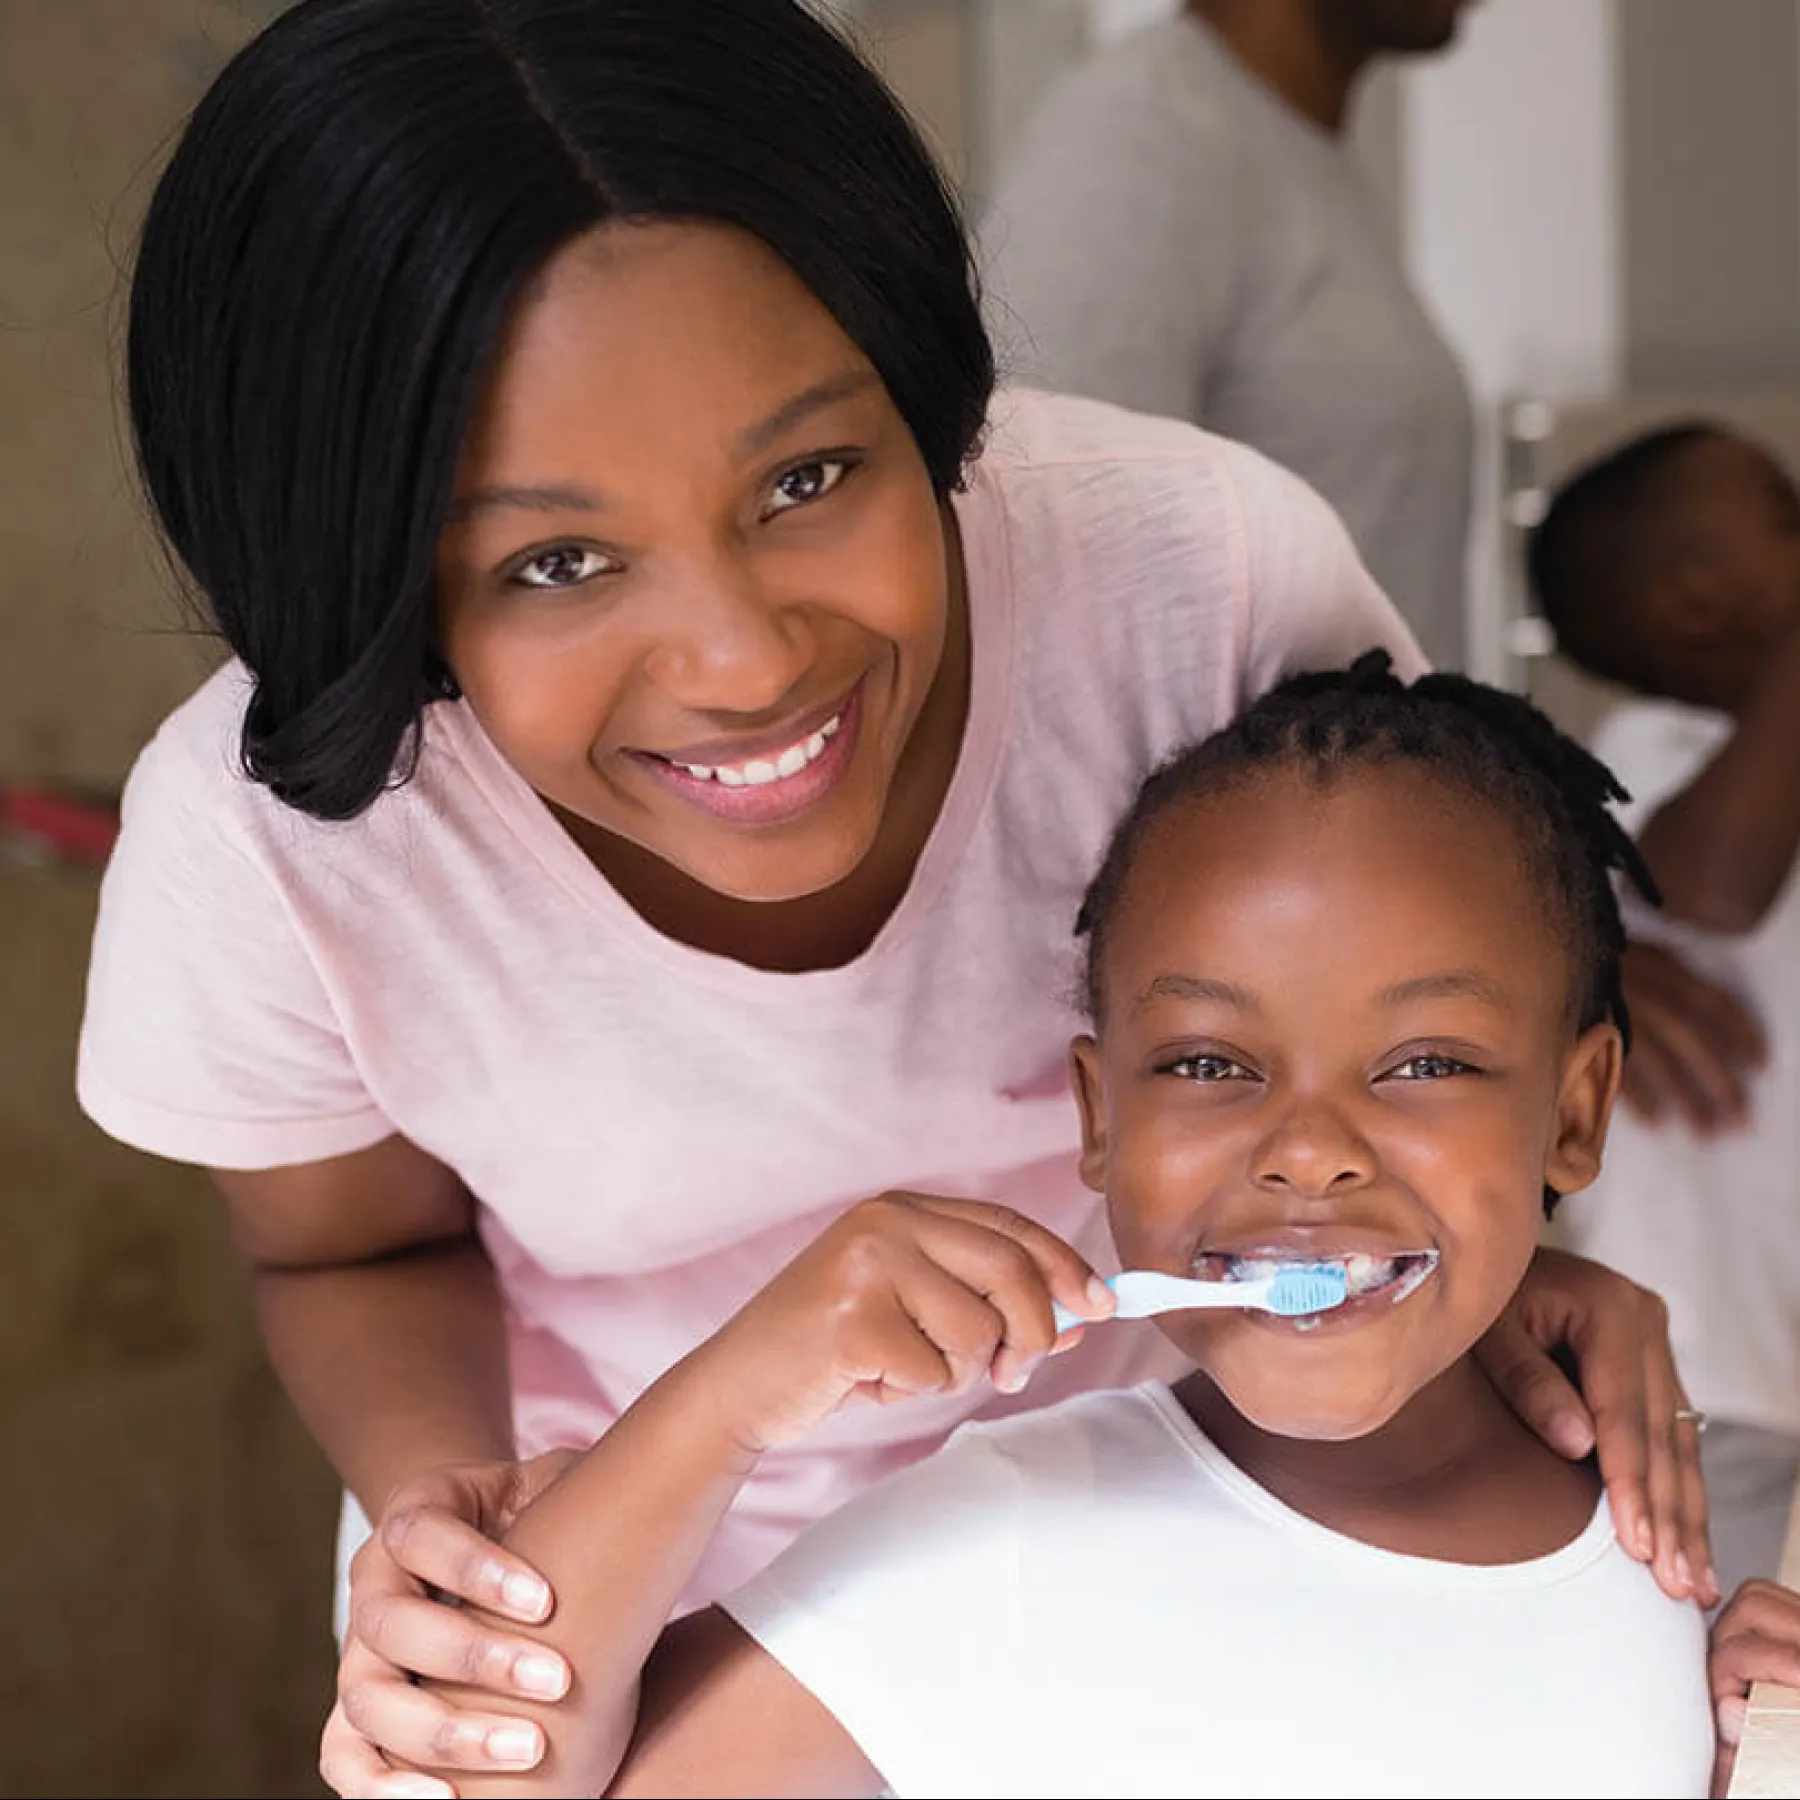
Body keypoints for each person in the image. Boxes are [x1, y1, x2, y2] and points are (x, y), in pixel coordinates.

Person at [75, 3, 1710, 1794]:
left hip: (1165, 1537)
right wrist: (460, 1541)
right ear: (369, 569)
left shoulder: (1200, 584)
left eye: (809, 477)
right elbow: (350, 1244)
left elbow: (1411, 968)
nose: (745, 659)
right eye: (555, 560)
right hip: (603, 1601)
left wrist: (1486, 1291)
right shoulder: (270, 839)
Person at [377, 652, 1800, 1800]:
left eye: (1426, 1063)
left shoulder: (1651, 1535)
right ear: (1097, 1115)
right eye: (1207, 1065)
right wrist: (734, 1396)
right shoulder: (1003, 1532)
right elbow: (496, 1781)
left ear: (1574, 1110)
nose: (1307, 1149)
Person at [975, 0, 1768, 1144]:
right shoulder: (1143, 142)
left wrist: (1528, 923)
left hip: (1351, 934)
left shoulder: (1290, 151)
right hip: (1260, 983)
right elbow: (1046, 593)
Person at [976, 0, 1477, 671]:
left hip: (1380, 763)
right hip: (1282, 772)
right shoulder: (1140, 133)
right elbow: (1046, 554)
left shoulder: (1292, 145)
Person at [1529, 421, 1800, 1600]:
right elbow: (1714, 882)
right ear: (1694, 605)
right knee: (1754, 1704)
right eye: (1789, 518)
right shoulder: (1644, 758)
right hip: (1711, 1389)